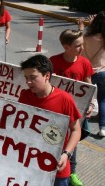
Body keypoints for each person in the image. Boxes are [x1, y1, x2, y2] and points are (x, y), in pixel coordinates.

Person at [18, 54, 82, 186]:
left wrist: (66, 154)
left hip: (57, 169)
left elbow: (76, 130)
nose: (28, 82)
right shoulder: (24, 96)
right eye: (26, 78)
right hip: (30, 165)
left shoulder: (65, 99)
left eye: (33, 77)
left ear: (47, 76)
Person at [49, 29, 94, 186]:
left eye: (82, 44)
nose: (82, 48)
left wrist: (91, 103)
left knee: (72, 144)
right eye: (78, 45)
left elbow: (89, 85)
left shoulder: (85, 63)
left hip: (75, 113)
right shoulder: (53, 62)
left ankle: (72, 173)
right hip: (56, 111)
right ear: (66, 47)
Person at [79, 11, 105, 137]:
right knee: (103, 100)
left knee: (85, 100)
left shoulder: (87, 37)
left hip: (88, 73)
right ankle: (102, 128)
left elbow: (77, 41)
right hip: (103, 72)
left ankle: (82, 124)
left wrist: (84, 26)